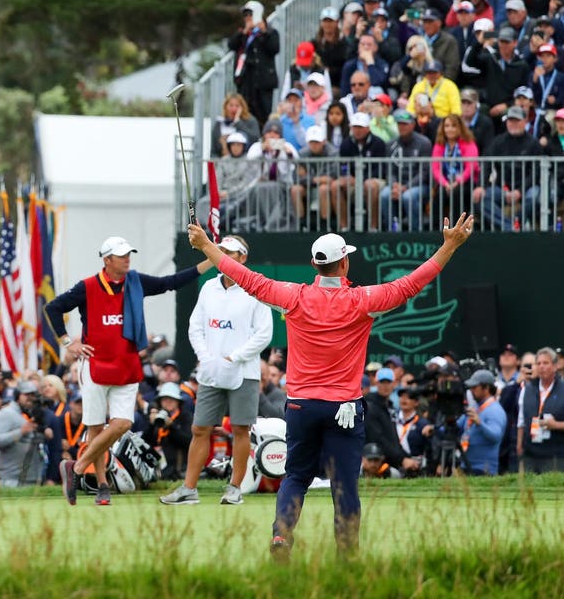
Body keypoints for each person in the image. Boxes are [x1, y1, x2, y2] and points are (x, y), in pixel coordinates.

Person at [185, 211, 476, 559]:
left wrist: (206, 245)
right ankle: (347, 551)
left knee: (295, 476)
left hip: (301, 405)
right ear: (345, 264)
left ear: (314, 264)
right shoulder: (361, 301)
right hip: (344, 408)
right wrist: (449, 247)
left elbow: (244, 277)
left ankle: (281, 536)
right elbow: (411, 284)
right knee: (344, 484)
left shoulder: (293, 296)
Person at [52, 236, 211, 506]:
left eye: (129, 254)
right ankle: (102, 485)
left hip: (126, 364)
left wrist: (211, 260)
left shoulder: (135, 281)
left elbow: (168, 283)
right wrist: (68, 343)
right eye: (122, 255)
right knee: (95, 427)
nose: (127, 259)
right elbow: (54, 308)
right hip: (95, 365)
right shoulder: (88, 287)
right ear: (107, 260)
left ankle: (76, 468)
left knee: (122, 424)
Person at [163, 236, 273, 506]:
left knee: (240, 430)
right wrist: (206, 357)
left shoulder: (255, 288)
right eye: (221, 251)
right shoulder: (209, 288)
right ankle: (189, 488)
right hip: (211, 371)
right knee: (200, 428)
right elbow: (196, 327)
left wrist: (234, 357)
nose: (224, 257)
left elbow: (264, 334)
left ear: (243, 258)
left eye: (231, 253)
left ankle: (234, 488)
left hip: (244, 372)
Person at [478, 106, 545, 229]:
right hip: (503, 188)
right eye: (510, 120)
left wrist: (520, 191)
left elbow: (536, 172)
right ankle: (510, 227)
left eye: (517, 120)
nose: (513, 124)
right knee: (482, 197)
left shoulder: (533, 143)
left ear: (525, 122)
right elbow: (486, 163)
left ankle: (516, 221)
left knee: (535, 196)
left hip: (527, 188)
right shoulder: (498, 141)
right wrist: (481, 186)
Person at [333, 112, 389, 230]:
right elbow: (343, 165)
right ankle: (344, 227)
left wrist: (361, 179)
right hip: (353, 182)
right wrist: (347, 176)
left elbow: (380, 168)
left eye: (360, 127)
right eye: (355, 127)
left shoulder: (378, 143)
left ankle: (373, 227)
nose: (357, 130)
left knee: (370, 185)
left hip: (375, 179)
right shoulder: (346, 144)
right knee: (335, 185)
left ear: (368, 128)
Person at [0, 381, 49, 488]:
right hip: (10, 479)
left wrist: (43, 433)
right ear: (17, 396)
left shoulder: (32, 414)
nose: (30, 398)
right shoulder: (6, 413)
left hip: (32, 478)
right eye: (26, 395)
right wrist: (20, 432)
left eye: (33, 395)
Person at [381, 110, 435, 230]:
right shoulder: (391, 144)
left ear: (413, 125)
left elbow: (424, 173)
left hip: (420, 185)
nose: (402, 127)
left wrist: (405, 187)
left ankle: (416, 232)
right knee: (384, 195)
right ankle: (392, 230)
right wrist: (394, 184)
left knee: (408, 196)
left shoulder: (424, 143)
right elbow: (389, 170)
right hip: (397, 185)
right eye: (399, 124)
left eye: (405, 124)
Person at [228, 0, 280, 123]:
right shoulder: (243, 34)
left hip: (263, 83)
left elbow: (274, 48)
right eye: (245, 15)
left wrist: (264, 32)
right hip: (246, 83)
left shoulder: (270, 32)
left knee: (263, 116)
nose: (247, 18)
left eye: (250, 14)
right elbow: (231, 45)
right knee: (246, 115)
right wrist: (244, 32)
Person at [518, 347, 564, 473]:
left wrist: (556, 425)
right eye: (538, 363)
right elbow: (521, 421)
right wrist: (519, 445)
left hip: (556, 455)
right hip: (530, 452)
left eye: (545, 363)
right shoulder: (527, 388)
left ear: (555, 366)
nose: (541, 366)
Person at [363, 369, 412, 475]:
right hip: (375, 460)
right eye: (382, 382)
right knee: (395, 474)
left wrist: (406, 458)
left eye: (388, 382)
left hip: (390, 458)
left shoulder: (389, 406)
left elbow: (393, 439)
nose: (385, 386)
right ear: (376, 383)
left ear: (394, 384)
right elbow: (378, 439)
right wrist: (401, 460)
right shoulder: (370, 407)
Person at [458, 370, 508, 475]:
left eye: (475, 387)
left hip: (484, 469)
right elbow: (458, 426)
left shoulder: (495, 410)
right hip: (466, 466)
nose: (471, 391)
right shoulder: (475, 407)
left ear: (486, 388)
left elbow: (495, 436)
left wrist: (480, 423)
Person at [145, 382, 193, 481]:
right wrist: (151, 425)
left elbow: (188, 442)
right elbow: (145, 442)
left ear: (178, 401)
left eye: (172, 399)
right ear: (160, 402)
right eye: (165, 399)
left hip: (178, 467)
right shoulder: (157, 417)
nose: (168, 402)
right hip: (157, 465)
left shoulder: (185, 417)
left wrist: (172, 427)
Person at [212, 93, 262, 157]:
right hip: (223, 162)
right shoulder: (219, 123)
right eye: (231, 105)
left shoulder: (250, 121)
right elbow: (213, 151)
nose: (234, 109)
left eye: (237, 106)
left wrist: (238, 123)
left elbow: (255, 139)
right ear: (225, 107)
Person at [395, 388, 430, 474]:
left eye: (409, 397)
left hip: (415, 465)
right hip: (394, 461)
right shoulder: (392, 420)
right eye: (402, 397)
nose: (404, 400)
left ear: (416, 402)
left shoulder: (422, 423)